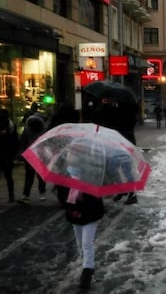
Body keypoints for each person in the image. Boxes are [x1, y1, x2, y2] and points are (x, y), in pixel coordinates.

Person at [56, 145, 105, 289]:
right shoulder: (65, 174)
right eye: (68, 154)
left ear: (80, 157)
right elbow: (61, 196)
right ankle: (86, 265)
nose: (69, 156)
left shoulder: (91, 174)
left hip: (90, 215)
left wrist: (83, 199)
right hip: (74, 214)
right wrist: (69, 202)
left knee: (87, 244)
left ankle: (87, 273)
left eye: (73, 154)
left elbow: (96, 198)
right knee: (80, 244)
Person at [17, 113, 47, 204]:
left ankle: (26, 195)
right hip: (39, 155)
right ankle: (41, 193)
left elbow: (22, 143)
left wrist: (21, 153)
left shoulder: (27, 130)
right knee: (40, 176)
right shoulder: (43, 130)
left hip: (31, 155)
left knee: (29, 176)